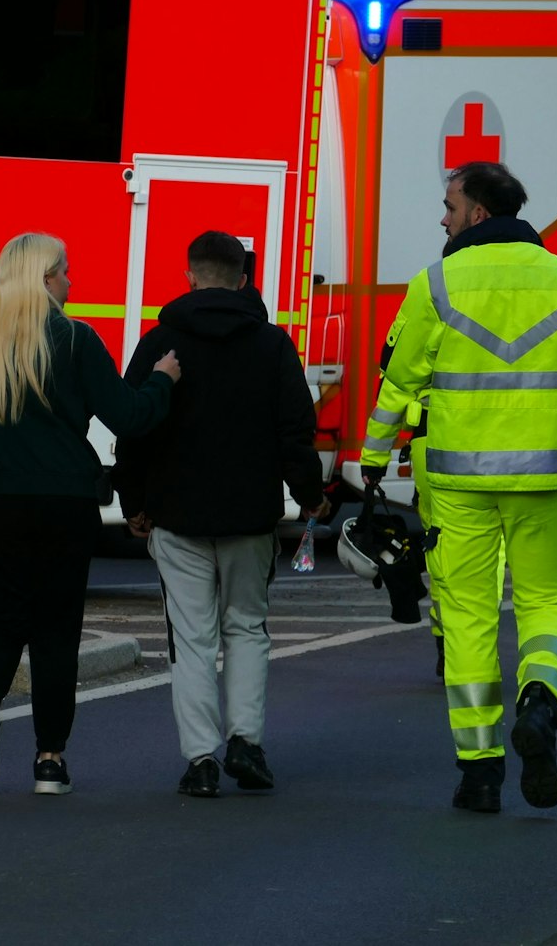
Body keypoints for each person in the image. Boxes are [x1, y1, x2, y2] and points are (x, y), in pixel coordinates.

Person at [362, 160, 557, 814]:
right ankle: (541, 703)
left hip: (457, 484)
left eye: (450, 205)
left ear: (478, 211)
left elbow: (400, 380)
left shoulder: (436, 282)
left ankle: (479, 774)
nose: (443, 218)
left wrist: (370, 458)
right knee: (547, 606)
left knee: (469, 620)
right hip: (541, 480)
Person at [0, 233, 179, 795]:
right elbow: (130, 416)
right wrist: (163, 378)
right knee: (56, 631)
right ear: (45, 279)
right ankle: (49, 760)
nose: (72, 281)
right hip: (66, 504)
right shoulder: (76, 340)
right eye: (65, 272)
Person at [112, 232, 329, 798]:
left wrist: (132, 502)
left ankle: (200, 761)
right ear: (242, 278)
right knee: (247, 629)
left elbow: (134, 429)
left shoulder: (160, 342)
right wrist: (309, 493)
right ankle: (247, 744)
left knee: (192, 639)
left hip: (175, 515)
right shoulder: (272, 346)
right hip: (250, 518)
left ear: (189, 276)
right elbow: (294, 433)